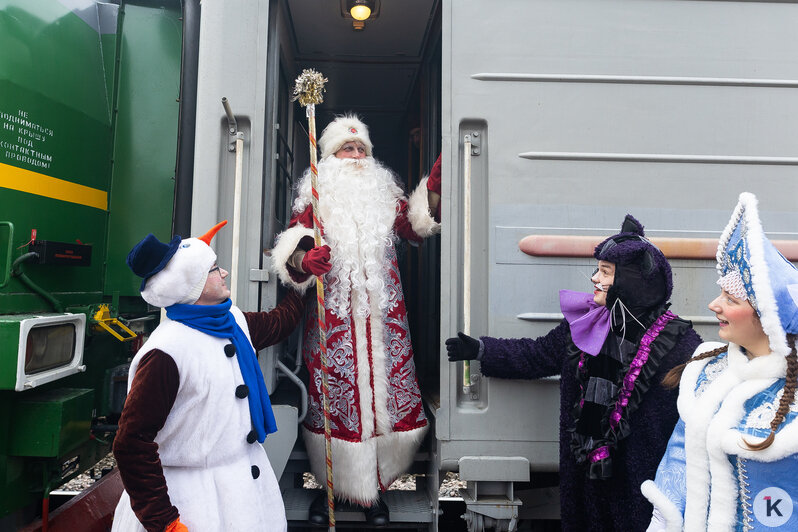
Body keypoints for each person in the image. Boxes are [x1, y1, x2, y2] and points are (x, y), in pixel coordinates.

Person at [446, 215, 702, 531]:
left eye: (605, 272)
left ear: (632, 280)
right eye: (598, 269)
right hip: (586, 477)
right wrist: (482, 350)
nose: (594, 278)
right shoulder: (586, 324)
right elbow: (537, 355)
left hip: (639, 484)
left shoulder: (677, 344)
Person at [270, 114, 441, 526]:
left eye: (362, 148)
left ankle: (374, 493)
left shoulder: (384, 193)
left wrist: (434, 185)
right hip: (334, 323)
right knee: (336, 401)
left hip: (384, 322)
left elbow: (415, 225)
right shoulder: (316, 194)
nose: (357, 155)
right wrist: (304, 259)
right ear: (331, 157)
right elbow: (293, 246)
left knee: (384, 401)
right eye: (348, 149)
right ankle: (333, 489)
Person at [112, 220, 311, 532]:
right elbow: (131, 443)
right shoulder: (166, 353)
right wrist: (165, 522)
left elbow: (278, 323)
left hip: (242, 494)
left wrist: (303, 277)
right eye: (214, 269)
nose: (225, 273)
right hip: (193, 504)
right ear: (193, 284)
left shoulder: (231, 321)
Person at [643, 192, 798, 531]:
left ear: (767, 318)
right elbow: (677, 462)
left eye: (730, 299)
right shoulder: (707, 372)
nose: (714, 305)